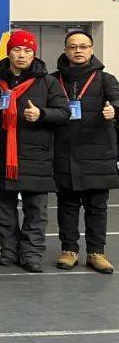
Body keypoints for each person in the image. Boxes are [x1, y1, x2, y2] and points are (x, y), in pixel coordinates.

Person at [0, 29, 69, 272]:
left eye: (27, 50)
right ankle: (9, 252)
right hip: (1, 155)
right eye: (16, 49)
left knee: (36, 211)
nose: (22, 55)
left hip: (37, 156)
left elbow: (64, 112)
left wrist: (41, 114)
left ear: (34, 54)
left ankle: (32, 254)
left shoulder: (48, 82)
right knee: (4, 210)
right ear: (8, 52)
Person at [52, 30, 117, 273]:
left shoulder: (106, 79)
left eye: (83, 46)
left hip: (97, 152)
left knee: (97, 207)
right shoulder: (53, 79)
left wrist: (114, 110)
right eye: (73, 46)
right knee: (67, 205)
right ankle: (69, 250)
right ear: (65, 50)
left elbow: (117, 99)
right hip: (64, 151)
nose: (78, 50)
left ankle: (96, 252)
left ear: (91, 49)